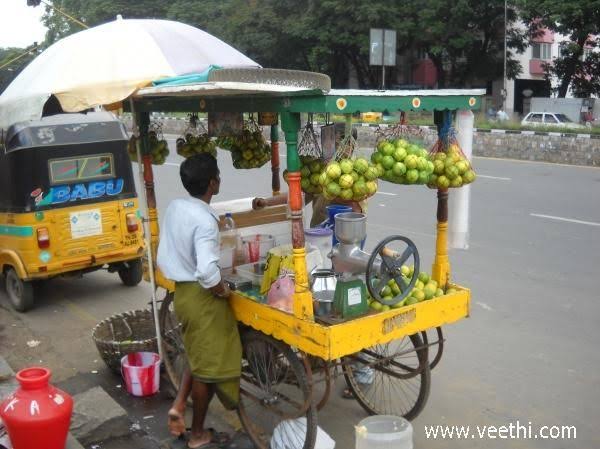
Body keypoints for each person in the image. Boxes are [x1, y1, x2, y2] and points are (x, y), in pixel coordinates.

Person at [157, 153, 241, 449]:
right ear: (212, 183)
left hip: (182, 293)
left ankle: (179, 406)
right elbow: (207, 271)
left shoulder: (176, 207)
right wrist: (222, 290)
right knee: (209, 369)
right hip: (201, 296)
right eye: (217, 176)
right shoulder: (205, 221)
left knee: (199, 352)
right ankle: (197, 434)